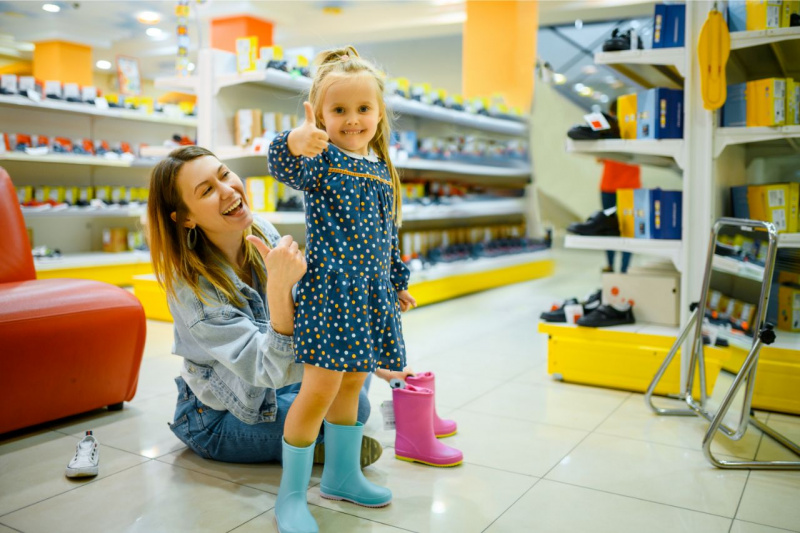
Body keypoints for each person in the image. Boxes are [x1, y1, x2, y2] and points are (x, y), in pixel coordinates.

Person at [147, 145, 384, 467]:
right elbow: (266, 368)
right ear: (185, 217)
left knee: (353, 368)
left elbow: (309, 318)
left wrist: (372, 351)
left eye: (225, 175)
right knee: (355, 403)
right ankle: (320, 444)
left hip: (272, 377)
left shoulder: (258, 230)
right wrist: (279, 287)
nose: (228, 190)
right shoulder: (194, 292)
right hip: (217, 416)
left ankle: (317, 438)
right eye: (207, 191)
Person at [267, 46, 415, 533]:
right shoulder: (319, 159)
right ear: (322, 115)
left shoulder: (379, 170)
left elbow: (387, 232)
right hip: (331, 294)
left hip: (369, 293)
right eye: (339, 111)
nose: (352, 120)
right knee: (319, 388)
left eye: (363, 109)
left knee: (356, 379)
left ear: (379, 113)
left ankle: (342, 476)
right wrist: (295, 139)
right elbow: (280, 163)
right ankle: (290, 497)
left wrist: (396, 283)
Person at [599, 99, 641, 273]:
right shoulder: (636, 127)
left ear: (611, 112)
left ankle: (610, 265)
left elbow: (599, 157)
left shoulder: (607, 129)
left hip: (609, 187)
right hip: (630, 188)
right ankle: (624, 268)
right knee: (627, 230)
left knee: (609, 227)